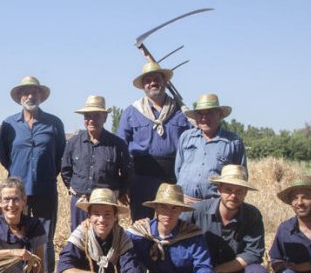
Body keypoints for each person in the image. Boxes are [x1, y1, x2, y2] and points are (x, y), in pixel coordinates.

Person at [0, 76, 66, 273]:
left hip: (45, 187)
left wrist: (46, 173)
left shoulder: (54, 123)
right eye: (26, 93)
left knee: (45, 233)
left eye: (34, 92)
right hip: (18, 191)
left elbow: (60, 156)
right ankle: (19, 272)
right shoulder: (9, 124)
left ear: (41, 96)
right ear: (20, 97)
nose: (30, 96)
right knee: (18, 230)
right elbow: (5, 157)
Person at [118, 62, 191, 220]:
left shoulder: (181, 111)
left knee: (171, 222)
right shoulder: (132, 111)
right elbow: (120, 147)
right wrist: (124, 183)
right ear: (143, 86)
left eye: (157, 79)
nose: (153, 83)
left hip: (174, 177)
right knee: (142, 223)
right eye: (148, 80)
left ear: (165, 82)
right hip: (142, 178)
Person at [60, 95, 132, 230]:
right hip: (80, 202)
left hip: (106, 205)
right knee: (79, 238)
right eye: (87, 116)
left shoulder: (117, 144)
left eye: (96, 116)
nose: (91, 120)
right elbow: (65, 170)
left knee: (107, 239)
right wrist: (74, 189)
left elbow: (127, 173)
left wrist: (119, 193)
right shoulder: (74, 143)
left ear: (105, 117)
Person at [175, 94, 246, 204]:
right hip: (184, 203)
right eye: (200, 114)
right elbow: (178, 169)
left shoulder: (233, 142)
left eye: (210, 113)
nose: (204, 118)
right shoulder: (186, 137)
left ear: (219, 114)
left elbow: (240, 178)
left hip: (213, 205)